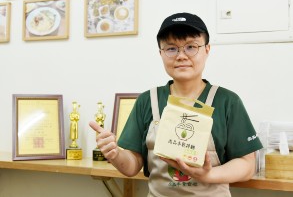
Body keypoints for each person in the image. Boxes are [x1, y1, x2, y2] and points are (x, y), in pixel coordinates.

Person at [89, 12, 263, 196]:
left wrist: (208, 174)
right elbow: (132, 166)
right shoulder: (148, 100)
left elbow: (247, 164)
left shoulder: (227, 101)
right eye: (171, 49)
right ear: (161, 53)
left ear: (207, 49)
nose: (181, 55)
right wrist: (115, 154)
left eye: (191, 47)